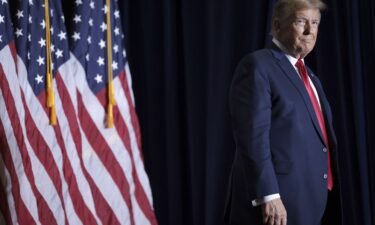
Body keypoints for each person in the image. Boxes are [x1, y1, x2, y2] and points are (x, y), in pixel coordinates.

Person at [224, 0, 342, 224]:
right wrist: (268, 195)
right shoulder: (258, 66)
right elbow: (253, 138)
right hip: (277, 207)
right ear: (277, 26)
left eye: (315, 22)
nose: (310, 31)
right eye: (301, 22)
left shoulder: (313, 79)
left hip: (314, 203)